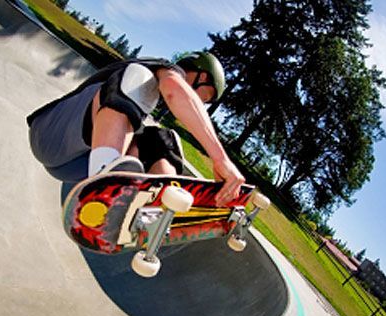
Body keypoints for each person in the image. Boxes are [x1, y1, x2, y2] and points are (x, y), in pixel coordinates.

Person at [27, 51, 244, 206]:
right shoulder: (164, 69)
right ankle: (105, 184)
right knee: (139, 81)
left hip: (73, 166)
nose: (199, 103)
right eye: (203, 97)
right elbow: (174, 90)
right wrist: (221, 159)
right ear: (201, 77)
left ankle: (156, 207)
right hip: (49, 133)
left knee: (161, 140)